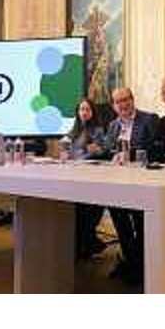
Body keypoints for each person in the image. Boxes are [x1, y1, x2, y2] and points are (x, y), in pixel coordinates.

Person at [99, 88, 159, 284]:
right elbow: (107, 150)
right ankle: (131, 259)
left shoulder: (149, 119)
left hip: (144, 181)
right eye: (118, 102)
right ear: (114, 106)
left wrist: (127, 154)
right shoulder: (113, 125)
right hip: (119, 180)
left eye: (126, 100)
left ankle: (140, 264)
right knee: (116, 209)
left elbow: (153, 148)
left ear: (132, 100)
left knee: (139, 215)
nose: (123, 105)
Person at [67, 98, 108, 259]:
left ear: (92, 112)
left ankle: (86, 243)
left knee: (87, 210)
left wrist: (97, 150)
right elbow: (69, 152)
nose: (84, 112)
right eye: (81, 109)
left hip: (91, 172)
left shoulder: (98, 130)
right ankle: (81, 243)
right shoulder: (73, 131)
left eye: (87, 109)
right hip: (74, 172)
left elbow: (103, 151)